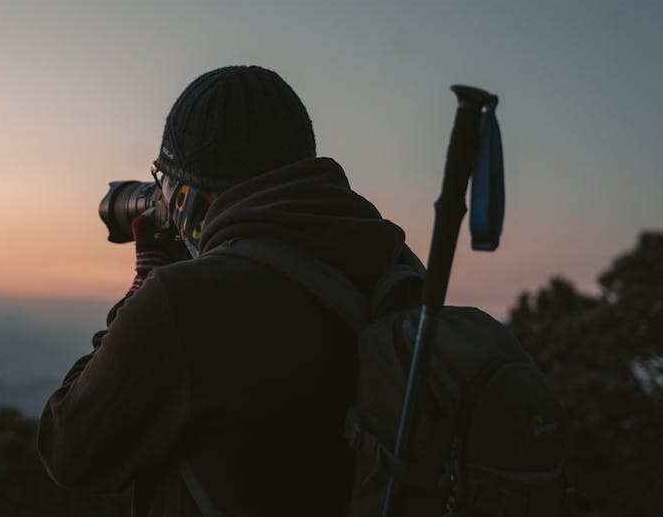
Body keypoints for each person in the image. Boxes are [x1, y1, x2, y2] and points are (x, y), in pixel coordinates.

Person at [38, 65, 410, 516]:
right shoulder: (390, 265)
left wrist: (145, 285)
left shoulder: (185, 302)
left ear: (187, 194)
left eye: (165, 181)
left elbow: (69, 447)